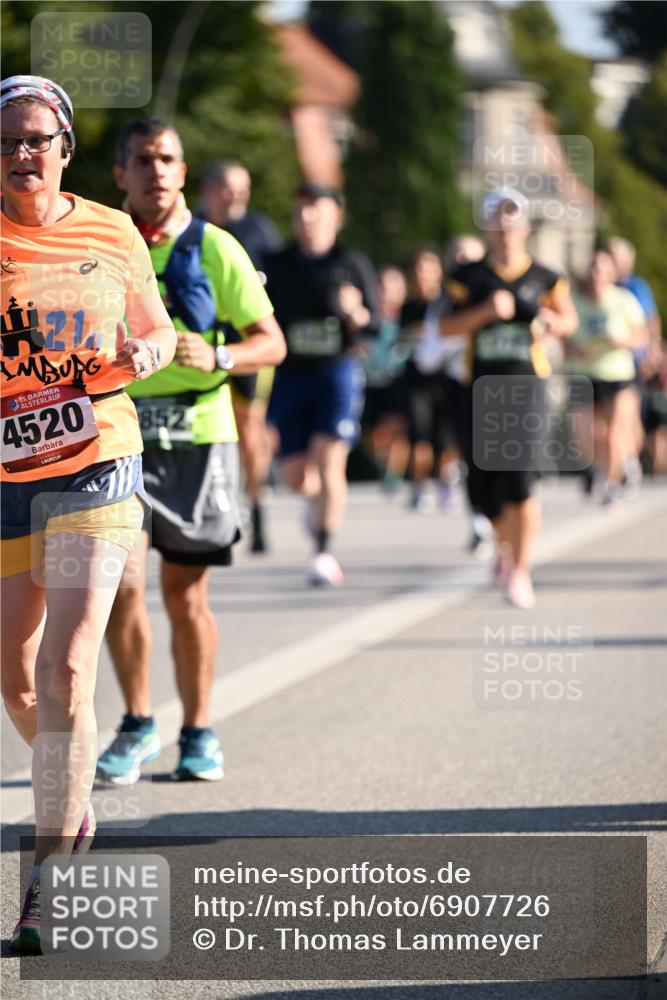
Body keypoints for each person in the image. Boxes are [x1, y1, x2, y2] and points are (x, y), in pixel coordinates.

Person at [0, 76, 177, 954]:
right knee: (19, 679)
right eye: (7, 142)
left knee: (69, 666)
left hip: (97, 458)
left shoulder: (111, 231)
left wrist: (146, 348)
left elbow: (160, 329)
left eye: (36, 138)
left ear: (65, 145)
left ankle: (49, 877)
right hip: (7, 474)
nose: (22, 154)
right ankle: (72, 790)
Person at [96, 118, 285, 786]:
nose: (156, 170)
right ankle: (137, 721)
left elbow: (272, 341)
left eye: (167, 159)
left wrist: (223, 353)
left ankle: (199, 731)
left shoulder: (216, 248)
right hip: (118, 435)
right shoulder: (97, 244)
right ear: (120, 174)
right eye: (142, 160)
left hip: (199, 438)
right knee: (120, 585)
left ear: (183, 171)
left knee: (183, 594)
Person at [440, 187, 578, 609]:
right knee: (485, 491)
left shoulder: (547, 278)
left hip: (527, 387)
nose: (505, 227)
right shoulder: (468, 277)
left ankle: (521, 570)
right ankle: (505, 547)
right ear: (487, 226)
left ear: (526, 225)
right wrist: (484, 313)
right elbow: (445, 328)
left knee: (521, 477)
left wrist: (552, 322)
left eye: (512, 218)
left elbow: (568, 321)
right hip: (478, 388)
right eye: (497, 218)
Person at [265, 181, 378, 587]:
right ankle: (316, 505)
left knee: (331, 460)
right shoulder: (276, 264)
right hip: (292, 375)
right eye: (301, 209)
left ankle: (324, 551)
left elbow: (375, 324)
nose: (307, 217)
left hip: (337, 371)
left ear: (336, 216)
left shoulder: (352, 264)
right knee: (298, 477)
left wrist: (357, 313)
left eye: (317, 208)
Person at [199, 160, 283, 552]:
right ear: (210, 191)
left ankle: (258, 504)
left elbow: (281, 287)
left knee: (249, 429)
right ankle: (213, 505)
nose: (238, 196)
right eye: (230, 188)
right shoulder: (192, 230)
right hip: (200, 347)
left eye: (243, 188)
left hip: (247, 346)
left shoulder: (261, 231)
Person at [566, 248, 646, 504]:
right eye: (593, 267)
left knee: (615, 431)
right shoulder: (574, 300)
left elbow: (642, 336)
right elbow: (562, 335)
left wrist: (623, 339)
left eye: (602, 267)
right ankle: (594, 467)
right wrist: (574, 350)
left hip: (617, 373)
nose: (596, 272)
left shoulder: (623, 299)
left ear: (612, 273)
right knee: (584, 432)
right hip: (583, 374)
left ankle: (612, 484)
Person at [608, 235, 661, 488]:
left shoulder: (636, 286)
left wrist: (653, 351)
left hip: (633, 359)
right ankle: (614, 463)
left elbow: (650, 320)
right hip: (603, 362)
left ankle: (629, 459)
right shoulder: (602, 286)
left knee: (627, 412)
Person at [360, 265, 411, 493]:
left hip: (398, 381)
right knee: (372, 438)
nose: (386, 291)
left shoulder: (408, 317)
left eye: (392, 286)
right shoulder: (366, 317)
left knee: (395, 427)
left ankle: (394, 475)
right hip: (370, 382)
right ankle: (382, 463)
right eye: (381, 286)